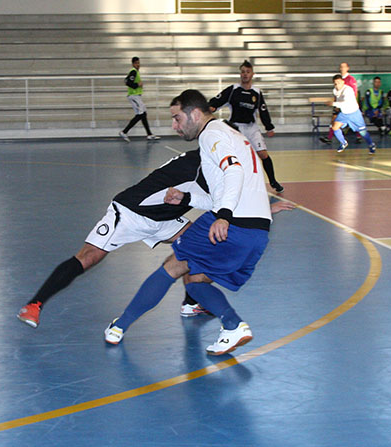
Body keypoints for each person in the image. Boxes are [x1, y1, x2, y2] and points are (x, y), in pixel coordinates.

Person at [16, 148, 295, 327]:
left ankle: (191, 303)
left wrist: (264, 210)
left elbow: (222, 202)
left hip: (165, 219)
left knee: (198, 250)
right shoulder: (200, 165)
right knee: (88, 258)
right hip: (130, 212)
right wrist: (262, 209)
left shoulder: (212, 165)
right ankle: (35, 304)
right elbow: (218, 201)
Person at [104, 89, 276, 355]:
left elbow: (233, 171)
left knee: (171, 267)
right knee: (195, 280)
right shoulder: (234, 135)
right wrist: (187, 197)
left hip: (233, 224)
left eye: (177, 118)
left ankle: (119, 326)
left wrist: (223, 216)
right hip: (257, 232)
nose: (175, 126)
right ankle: (232, 325)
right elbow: (223, 193)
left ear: (195, 114)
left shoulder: (211, 134)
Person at [209, 60, 284, 193]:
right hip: (235, 128)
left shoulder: (257, 92)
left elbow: (263, 110)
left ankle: (273, 181)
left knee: (263, 154)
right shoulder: (233, 90)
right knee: (234, 156)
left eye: (248, 72)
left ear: (252, 74)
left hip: (251, 128)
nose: (245, 74)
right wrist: (211, 107)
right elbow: (217, 100)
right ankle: (227, 183)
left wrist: (269, 127)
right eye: (243, 72)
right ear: (240, 74)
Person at [326, 74, 377, 154]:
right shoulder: (335, 90)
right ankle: (343, 143)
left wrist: (333, 104)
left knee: (362, 132)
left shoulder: (348, 90)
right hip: (344, 113)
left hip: (354, 113)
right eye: (335, 83)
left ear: (343, 82)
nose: (337, 85)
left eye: (339, 82)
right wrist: (336, 107)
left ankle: (371, 144)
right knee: (335, 127)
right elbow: (339, 101)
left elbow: (345, 103)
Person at [119, 56, 159, 141]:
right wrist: (138, 85)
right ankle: (124, 132)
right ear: (133, 64)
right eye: (136, 63)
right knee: (141, 114)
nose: (138, 65)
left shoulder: (135, 72)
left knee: (143, 114)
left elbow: (126, 80)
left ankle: (149, 134)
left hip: (136, 96)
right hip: (134, 96)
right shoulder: (133, 71)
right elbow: (128, 82)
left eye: (139, 63)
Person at [320, 62, 362, 144]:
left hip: (348, 105)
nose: (342, 69)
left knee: (353, 120)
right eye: (341, 67)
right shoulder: (338, 79)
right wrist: (335, 103)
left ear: (347, 68)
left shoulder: (351, 79)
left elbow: (354, 93)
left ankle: (359, 136)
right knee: (334, 119)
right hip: (339, 104)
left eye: (344, 67)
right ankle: (329, 137)